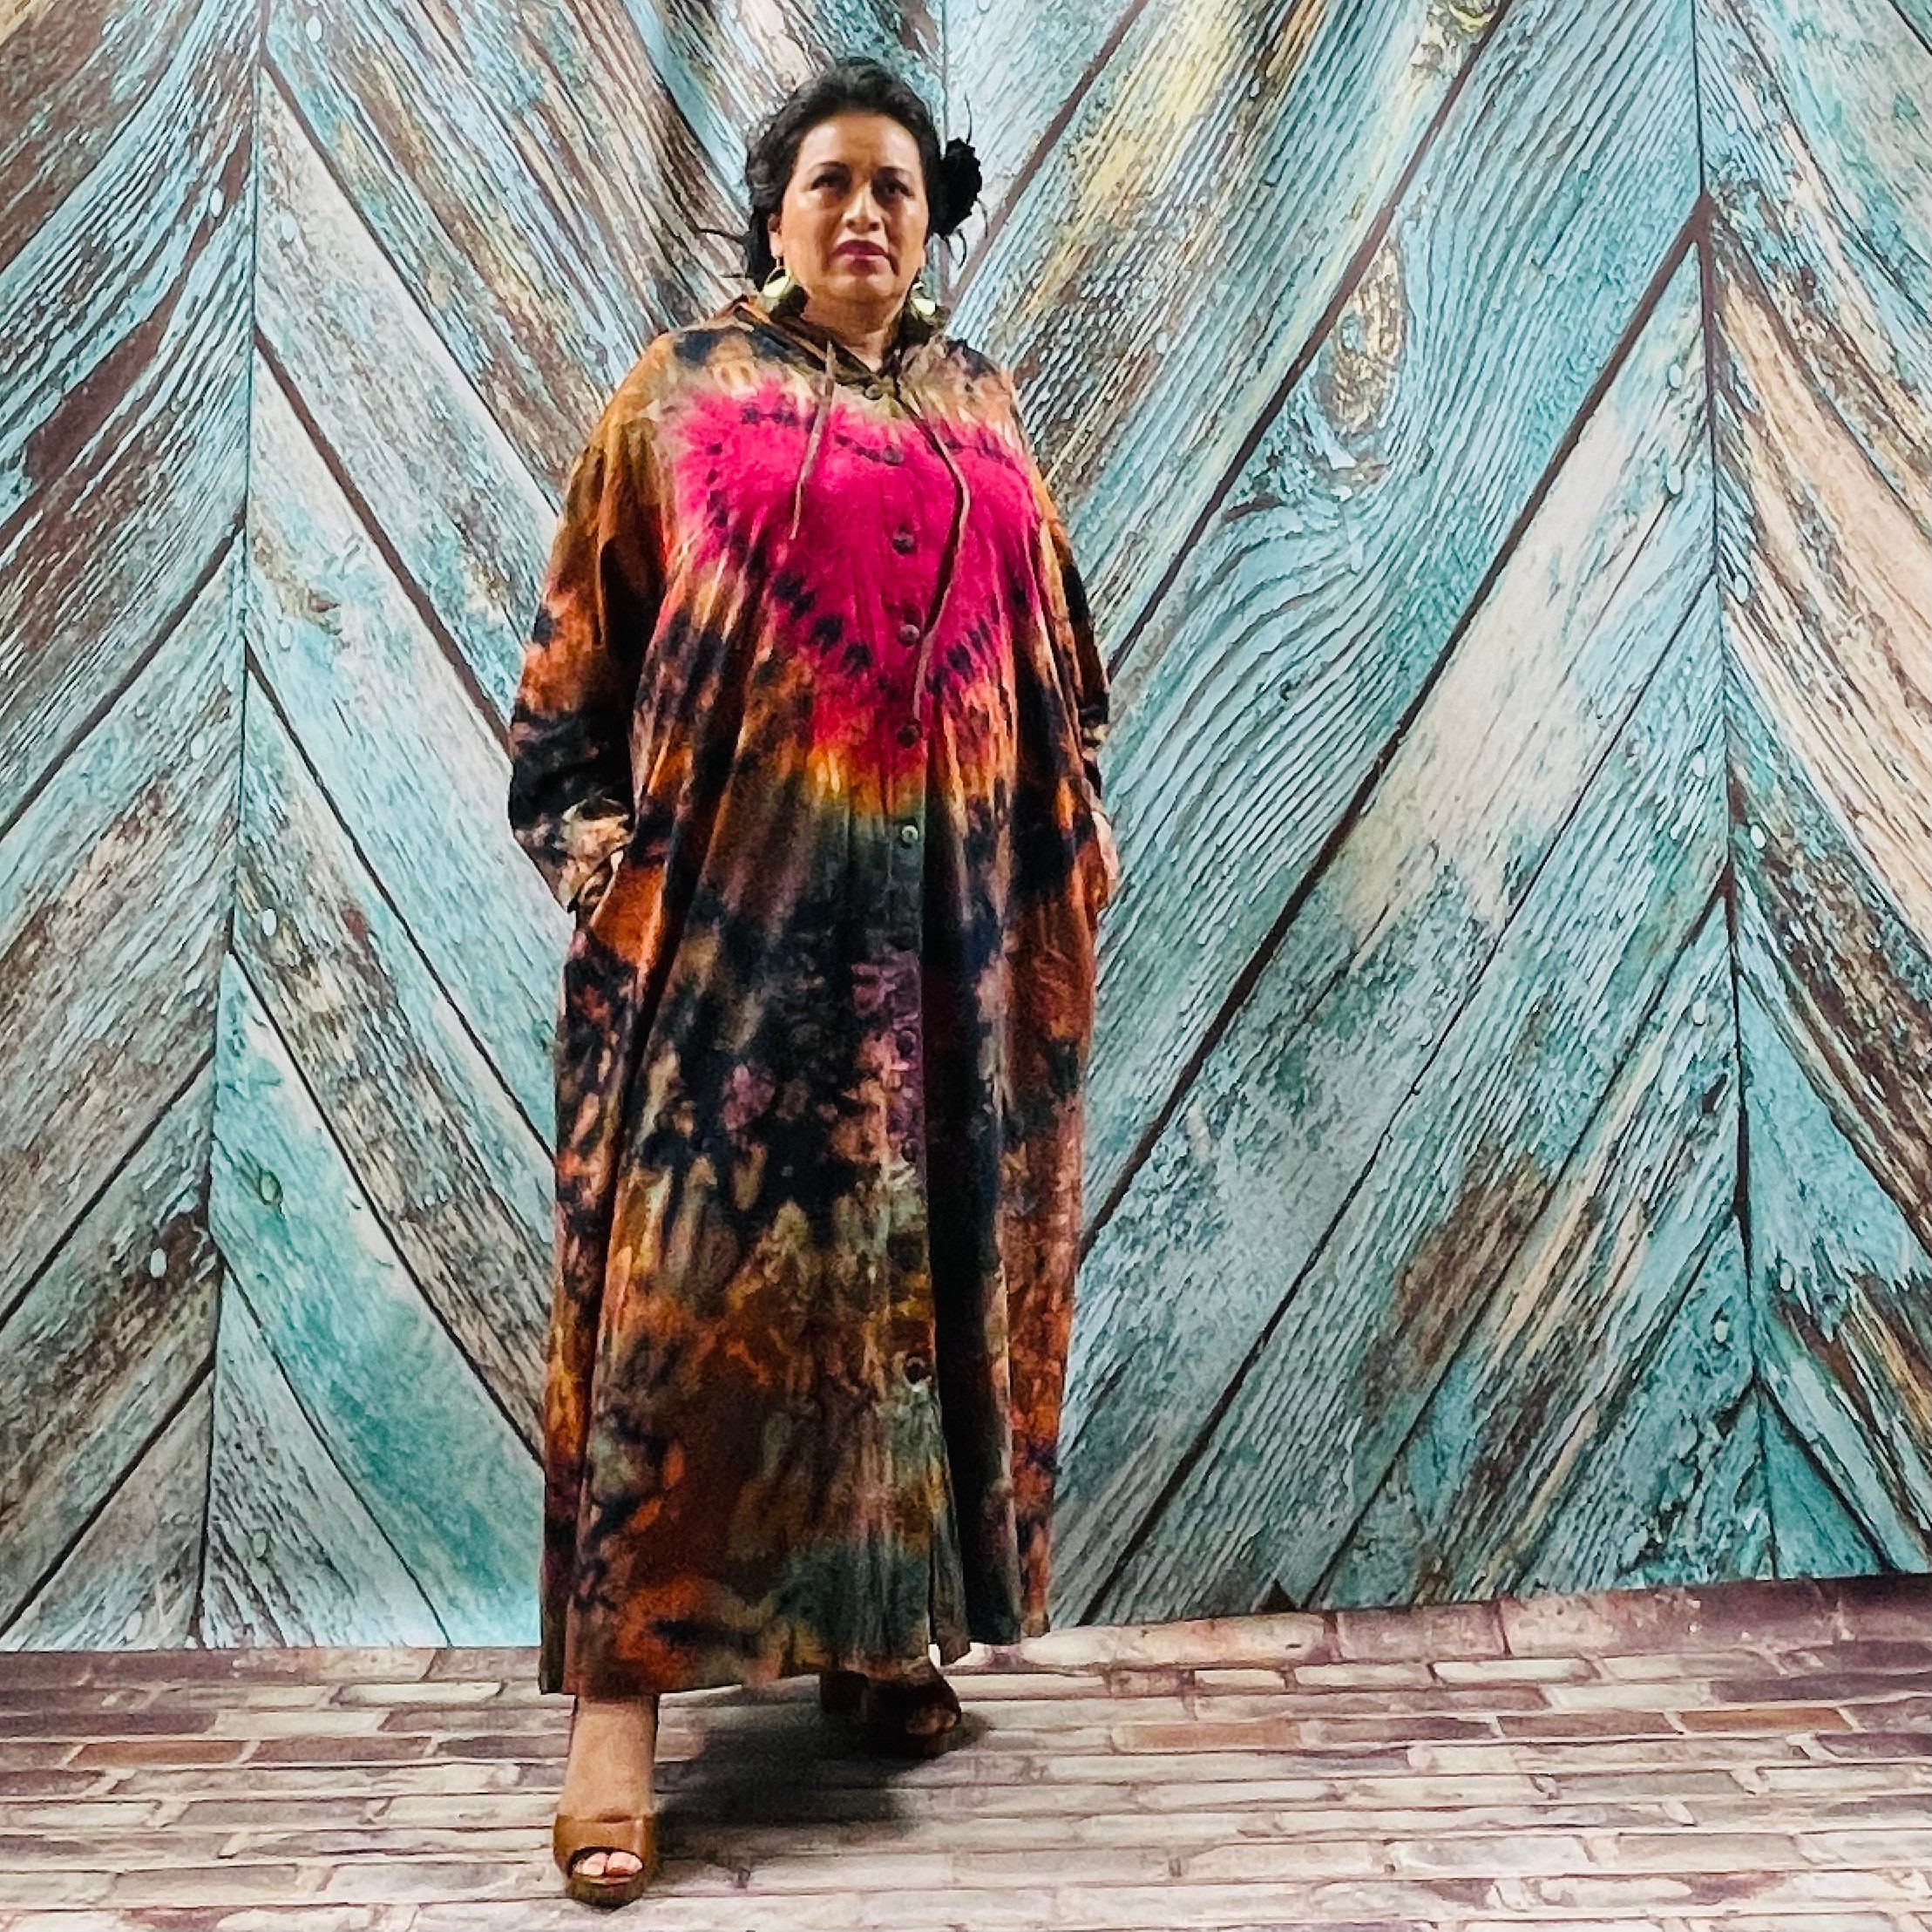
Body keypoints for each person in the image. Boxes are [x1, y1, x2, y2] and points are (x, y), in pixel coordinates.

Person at [506, 52, 1119, 1907]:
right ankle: (617, 1715)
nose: (863, 212)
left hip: (944, 950)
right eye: (829, 182)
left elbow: (1061, 655)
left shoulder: (980, 403)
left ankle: (873, 1629)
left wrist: (1054, 846)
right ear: (774, 211)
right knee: (677, 1312)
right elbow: (572, 681)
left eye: (895, 189)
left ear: (928, 227)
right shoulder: (679, 395)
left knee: (910, 1286)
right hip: (729, 952)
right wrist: (607, 869)